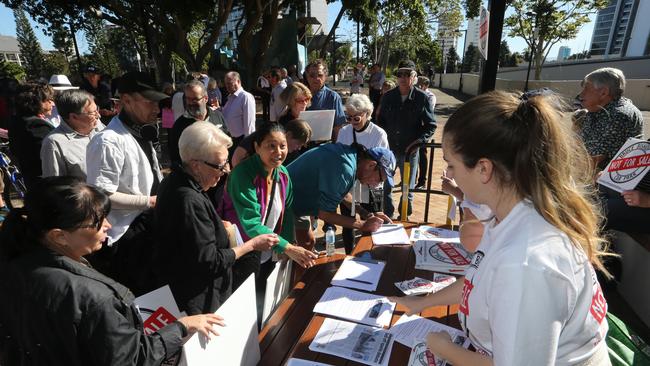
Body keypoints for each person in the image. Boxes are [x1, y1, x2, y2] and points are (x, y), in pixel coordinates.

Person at [391, 91, 611, 365]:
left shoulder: (525, 262)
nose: (450, 175)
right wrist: (423, 302)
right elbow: (478, 279)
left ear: (484, 168)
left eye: (451, 164)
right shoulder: (513, 215)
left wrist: (443, 346)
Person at [0, 176, 224, 365]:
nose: (108, 225)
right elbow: (132, 358)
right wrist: (181, 327)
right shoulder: (92, 297)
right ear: (59, 236)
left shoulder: (16, 261)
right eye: (97, 221)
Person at [153, 121, 278, 315]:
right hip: (198, 302)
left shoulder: (175, 180)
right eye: (219, 166)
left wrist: (213, 225)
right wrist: (251, 245)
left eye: (227, 163)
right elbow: (209, 261)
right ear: (195, 165)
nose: (226, 171)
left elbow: (187, 233)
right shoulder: (188, 199)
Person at [85, 71, 168, 295]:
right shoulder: (107, 141)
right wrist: (149, 201)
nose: (156, 109)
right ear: (126, 100)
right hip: (126, 239)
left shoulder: (139, 131)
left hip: (149, 229)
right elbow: (100, 194)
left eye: (157, 102)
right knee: (143, 298)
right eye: (149, 101)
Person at [222, 123, 318, 300]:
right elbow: (251, 224)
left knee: (266, 300)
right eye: (271, 146)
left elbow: (287, 211)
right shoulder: (243, 174)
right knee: (245, 303)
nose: (278, 152)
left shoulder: (282, 174)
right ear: (257, 147)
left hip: (270, 248)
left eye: (282, 146)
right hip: (241, 251)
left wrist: (287, 244)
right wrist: (287, 247)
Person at [287, 142, 395, 248]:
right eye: (379, 179)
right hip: (284, 200)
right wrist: (362, 225)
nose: (376, 184)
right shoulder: (345, 168)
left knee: (307, 243)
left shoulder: (351, 158)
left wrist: (367, 214)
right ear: (371, 165)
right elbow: (325, 214)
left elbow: (342, 194)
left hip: (295, 198)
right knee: (292, 252)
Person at [377, 60, 436, 220]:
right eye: (399, 74)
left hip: (410, 151)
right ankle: (387, 216)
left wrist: (419, 141)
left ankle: (404, 216)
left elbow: (431, 125)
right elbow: (380, 121)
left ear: (414, 77)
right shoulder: (388, 97)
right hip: (389, 150)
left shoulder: (422, 98)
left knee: (407, 188)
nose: (403, 77)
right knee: (386, 186)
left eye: (407, 74)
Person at [336, 94, 389, 253]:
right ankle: (348, 255)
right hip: (349, 185)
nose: (352, 122)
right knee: (348, 224)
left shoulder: (378, 134)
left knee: (371, 223)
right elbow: (339, 158)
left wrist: (378, 203)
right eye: (349, 117)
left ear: (367, 113)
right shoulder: (345, 131)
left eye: (356, 118)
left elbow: (382, 170)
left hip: (371, 185)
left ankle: (368, 256)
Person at [579, 67, 643, 170]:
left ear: (603, 92)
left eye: (586, 88)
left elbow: (592, 161)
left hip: (606, 181)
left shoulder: (617, 116)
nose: (581, 94)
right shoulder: (598, 109)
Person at [40, 90, 104, 180]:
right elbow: (56, 186)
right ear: (74, 117)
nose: (98, 115)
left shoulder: (101, 129)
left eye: (97, 109)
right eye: (92, 113)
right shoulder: (54, 143)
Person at [8, 83, 55, 191]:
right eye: (48, 100)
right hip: (46, 184)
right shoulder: (36, 126)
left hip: (31, 181)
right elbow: (50, 157)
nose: (52, 103)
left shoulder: (18, 120)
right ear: (36, 102)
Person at [168, 80, 227, 164]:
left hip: (219, 172)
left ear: (205, 99)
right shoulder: (179, 125)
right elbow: (175, 157)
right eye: (188, 99)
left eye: (195, 99)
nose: (191, 103)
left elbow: (227, 142)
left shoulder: (217, 116)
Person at [231, 118, 312, 167]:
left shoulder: (294, 154)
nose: (298, 148)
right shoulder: (266, 135)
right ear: (288, 135)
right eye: (298, 143)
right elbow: (237, 157)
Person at [304, 59, 346, 139]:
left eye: (320, 75)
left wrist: (335, 147)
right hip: (301, 145)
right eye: (312, 75)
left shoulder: (333, 97)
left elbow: (338, 127)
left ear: (325, 76)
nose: (316, 78)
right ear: (307, 76)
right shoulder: (299, 95)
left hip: (324, 145)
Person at [222, 71, 256, 148]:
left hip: (241, 141)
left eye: (229, 83)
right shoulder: (231, 97)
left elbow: (249, 124)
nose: (227, 86)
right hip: (230, 140)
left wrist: (248, 144)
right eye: (226, 84)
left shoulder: (245, 97)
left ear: (238, 81)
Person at [415, 76, 436, 190]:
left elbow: (427, 112)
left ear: (426, 86)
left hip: (424, 127)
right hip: (415, 127)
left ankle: (422, 181)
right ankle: (413, 178)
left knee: (422, 154)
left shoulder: (430, 96)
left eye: (420, 84)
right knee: (413, 153)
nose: (418, 86)